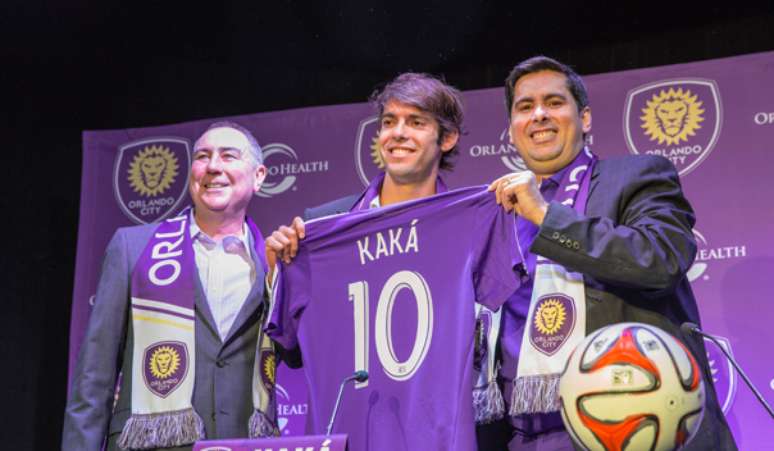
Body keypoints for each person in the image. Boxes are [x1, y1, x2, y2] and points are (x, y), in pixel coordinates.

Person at [486, 55, 737, 450]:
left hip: (637, 426)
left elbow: (660, 259)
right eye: (525, 107)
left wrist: (546, 216)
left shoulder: (638, 176)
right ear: (512, 130)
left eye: (554, 103)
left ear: (584, 119)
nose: (539, 115)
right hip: (530, 437)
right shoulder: (494, 213)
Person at [63, 122, 278, 450]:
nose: (213, 166)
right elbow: (94, 379)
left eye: (229, 156)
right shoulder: (133, 248)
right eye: (202, 156)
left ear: (259, 176)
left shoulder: (276, 264)